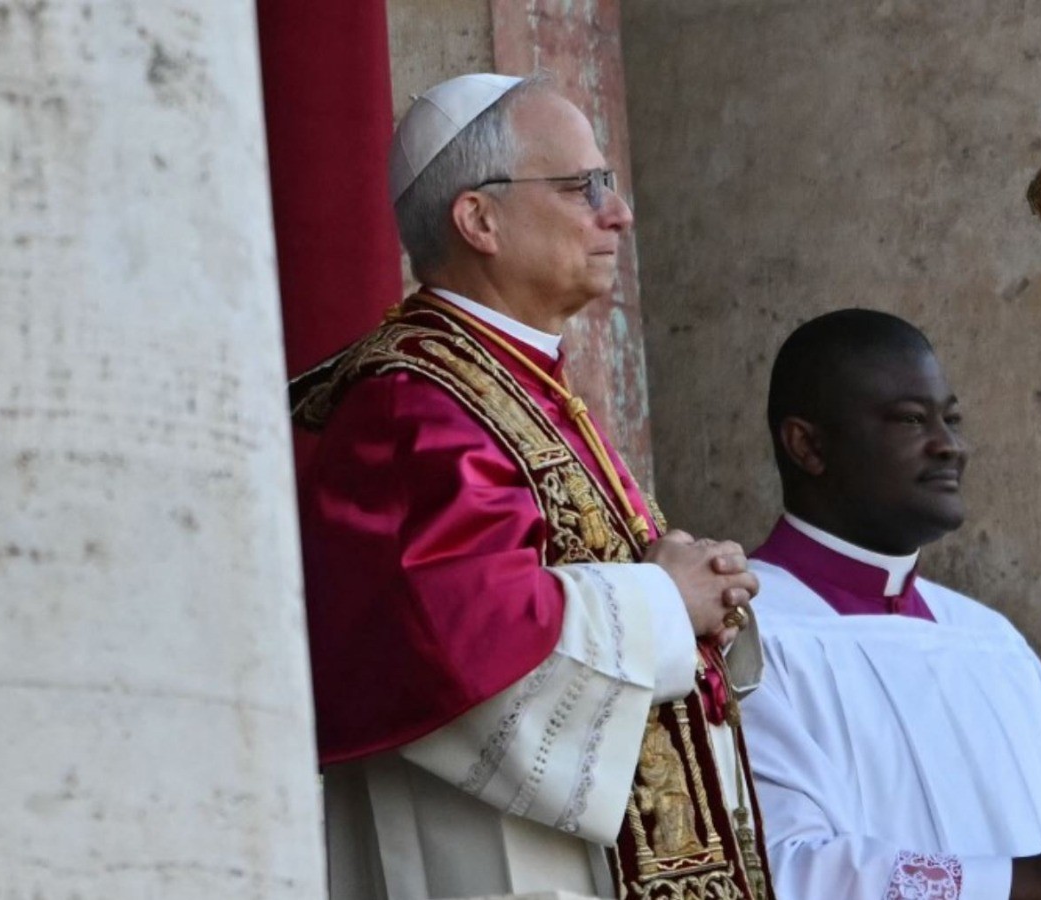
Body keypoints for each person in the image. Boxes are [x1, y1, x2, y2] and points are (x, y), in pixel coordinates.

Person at [291, 72, 772, 900]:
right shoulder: (415, 404)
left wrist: (702, 604)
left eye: (609, 186)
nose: (617, 212)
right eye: (583, 187)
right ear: (479, 218)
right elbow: (451, 635)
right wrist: (662, 604)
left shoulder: (523, 387)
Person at [739, 309, 1041, 900]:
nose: (950, 446)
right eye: (911, 420)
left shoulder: (989, 641)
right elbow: (781, 870)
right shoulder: (744, 637)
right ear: (808, 445)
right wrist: (1030, 881)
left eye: (951, 418)